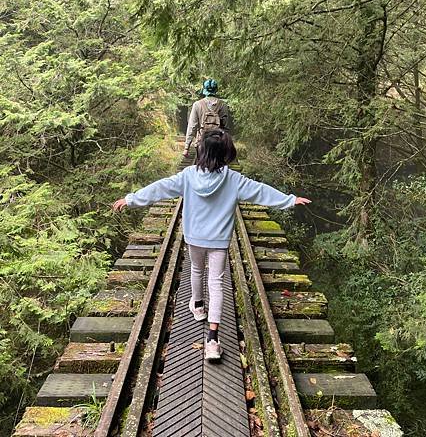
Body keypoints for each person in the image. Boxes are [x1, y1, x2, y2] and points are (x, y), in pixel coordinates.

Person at [113, 130, 311, 361]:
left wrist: (130, 199)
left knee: (196, 270)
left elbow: (160, 188)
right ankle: (213, 340)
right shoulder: (233, 180)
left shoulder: (187, 176)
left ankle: (197, 306)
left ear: (201, 151)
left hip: (194, 237)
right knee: (216, 283)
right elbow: (259, 191)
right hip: (218, 240)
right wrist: (289, 200)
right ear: (226, 153)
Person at [183, 78, 230, 159]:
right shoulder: (223, 105)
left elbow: (192, 126)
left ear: (204, 89)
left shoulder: (197, 105)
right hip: (218, 142)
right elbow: (225, 127)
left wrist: (186, 147)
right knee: (217, 167)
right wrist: (227, 146)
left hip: (202, 142)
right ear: (216, 90)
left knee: (201, 167)